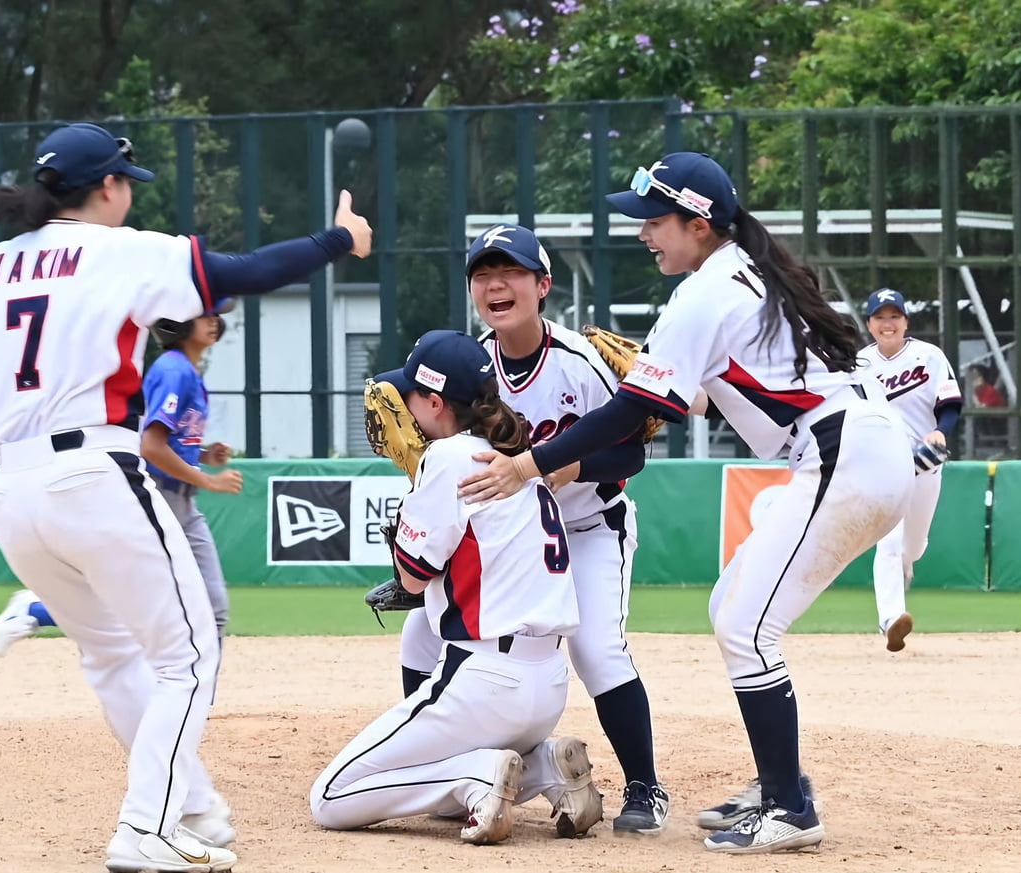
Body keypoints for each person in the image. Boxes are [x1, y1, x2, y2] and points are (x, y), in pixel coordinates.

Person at [0, 121, 371, 873]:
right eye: (125, 181)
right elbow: (250, 271)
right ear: (107, 185)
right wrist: (338, 240)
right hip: (94, 474)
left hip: (6, 489)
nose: (129, 193)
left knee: (111, 657)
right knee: (187, 656)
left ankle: (191, 808)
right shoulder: (125, 251)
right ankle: (145, 828)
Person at [458, 152, 914, 854]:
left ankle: (790, 808)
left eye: (654, 219)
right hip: (856, 448)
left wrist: (527, 464)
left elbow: (630, 412)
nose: (644, 232)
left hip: (844, 455)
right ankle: (780, 781)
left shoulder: (706, 291)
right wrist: (658, 374)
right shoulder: (746, 269)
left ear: (698, 223)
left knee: (746, 627)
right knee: (733, 606)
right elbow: (711, 394)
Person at [397, 223, 668, 835]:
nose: (496, 285)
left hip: (589, 524)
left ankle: (645, 788)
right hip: (513, 537)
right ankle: (439, 766)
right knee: (421, 634)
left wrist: (562, 466)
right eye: (483, 275)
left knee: (596, 649)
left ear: (543, 285)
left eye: (511, 272)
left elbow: (631, 454)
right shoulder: (470, 363)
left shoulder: (579, 363)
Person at [310, 329, 602, 845]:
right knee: (438, 776)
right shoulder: (518, 458)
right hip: (548, 685)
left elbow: (412, 577)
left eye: (411, 396)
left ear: (435, 403)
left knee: (331, 797)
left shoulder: (446, 457)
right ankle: (546, 768)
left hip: (484, 682)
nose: (402, 409)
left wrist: (410, 510)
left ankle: (478, 776)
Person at [0, 311, 244, 652]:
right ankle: (35, 610)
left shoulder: (187, 371)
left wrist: (204, 454)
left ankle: (192, 689)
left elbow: (164, 439)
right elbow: (151, 446)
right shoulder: (174, 370)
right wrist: (209, 481)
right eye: (203, 315)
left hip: (180, 500)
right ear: (179, 324)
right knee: (146, 603)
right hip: (156, 495)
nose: (212, 320)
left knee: (207, 607)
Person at [858, 288, 962, 652]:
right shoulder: (859, 365)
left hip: (925, 463)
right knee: (888, 542)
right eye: (880, 317)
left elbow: (950, 402)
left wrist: (941, 430)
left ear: (905, 322)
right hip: (884, 466)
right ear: (869, 324)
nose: (887, 324)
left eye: (894, 316)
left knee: (912, 548)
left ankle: (908, 563)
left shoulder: (928, 356)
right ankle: (891, 620)